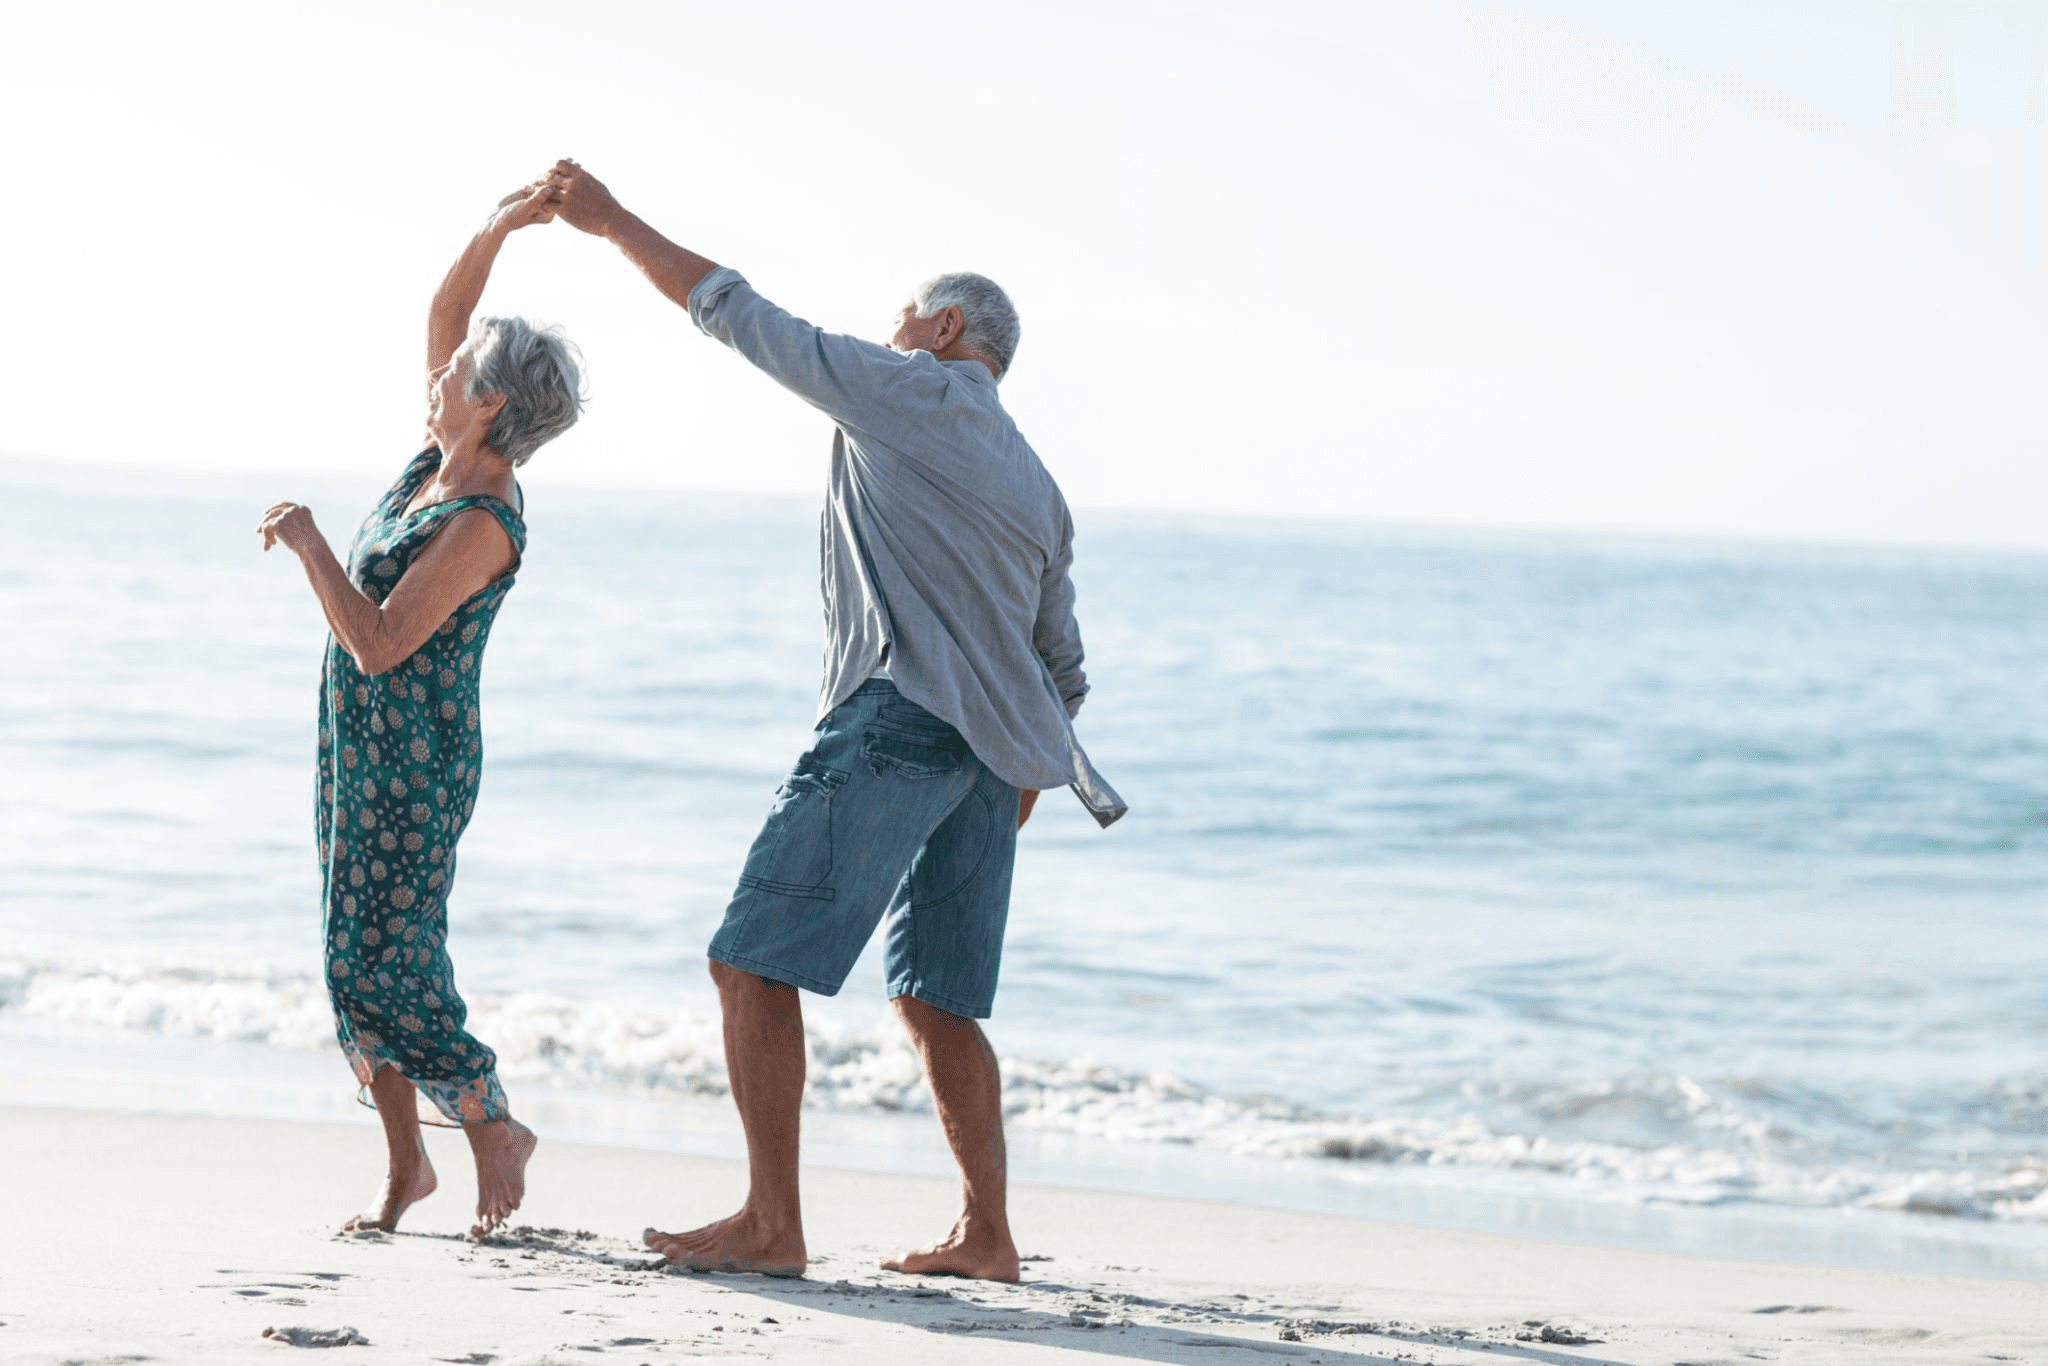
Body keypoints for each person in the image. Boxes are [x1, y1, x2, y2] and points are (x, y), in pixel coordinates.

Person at [540, 158, 1125, 1282]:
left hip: (897, 720)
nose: (887, 330)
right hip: (991, 763)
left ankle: (772, 1222)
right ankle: (987, 1235)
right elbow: (1064, 664)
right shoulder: (1039, 482)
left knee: (749, 963)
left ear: (943, 326)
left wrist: (609, 220)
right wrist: (1014, 781)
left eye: (902, 316)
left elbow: (738, 314)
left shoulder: (908, 387)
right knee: (936, 997)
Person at [257, 183, 582, 1238]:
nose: (436, 372)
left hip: (414, 758)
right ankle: (407, 1170)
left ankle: (489, 1120)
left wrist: (309, 544)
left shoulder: (484, 515)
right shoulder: (432, 463)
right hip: (355, 746)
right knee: (351, 955)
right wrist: (497, 228)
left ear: (489, 403)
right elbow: (446, 322)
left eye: (456, 373)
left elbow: (383, 642)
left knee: (379, 959)